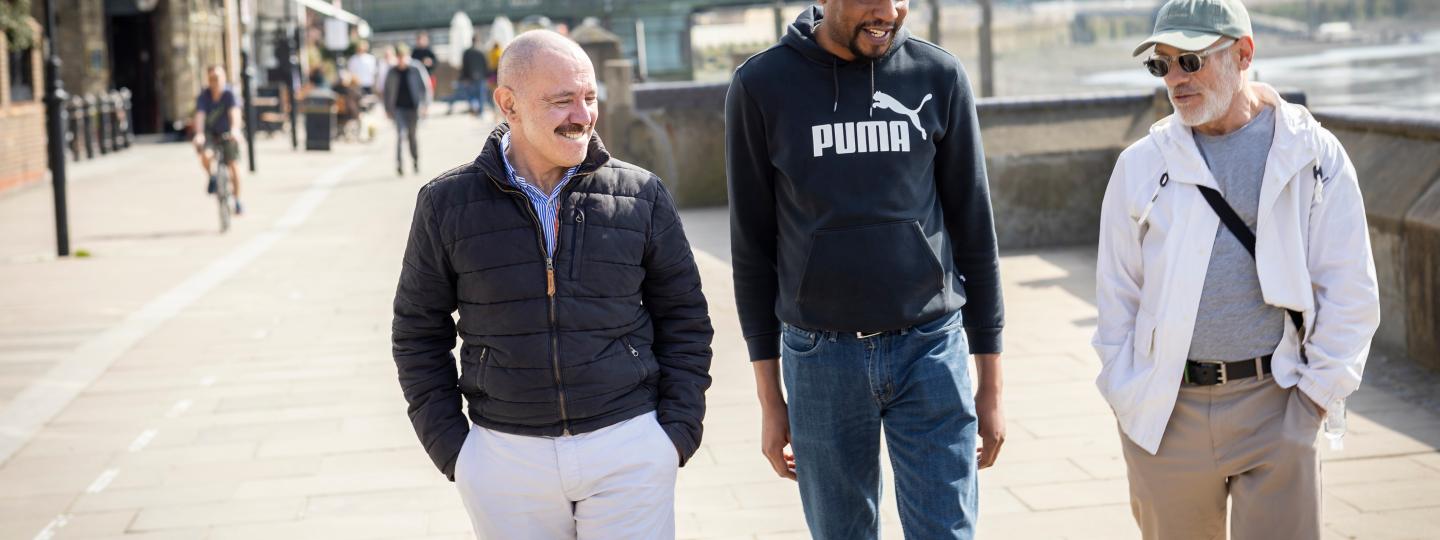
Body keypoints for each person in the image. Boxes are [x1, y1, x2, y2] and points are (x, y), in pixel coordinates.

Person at [391, 30, 713, 539]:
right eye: (562, 101)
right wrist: (456, 451)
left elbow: (686, 318)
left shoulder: (642, 195)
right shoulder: (445, 204)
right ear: (508, 104)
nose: (582, 115)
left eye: (589, 98)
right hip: (505, 460)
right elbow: (416, 332)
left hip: (629, 447)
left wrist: (674, 435)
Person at [1093, 1, 1381, 538]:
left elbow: (1350, 288)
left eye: (1191, 61)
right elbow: (1116, 294)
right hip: (1164, 416)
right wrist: (1126, 396)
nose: (1175, 79)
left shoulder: (1312, 152)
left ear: (1243, 53)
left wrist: (1312, 404)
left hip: (1278, 405)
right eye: (1163, 65)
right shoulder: (1139, 165)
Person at [725, 1, 1006, 538]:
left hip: (930, 349)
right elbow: (751, 250)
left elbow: (976, 232)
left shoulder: (937, 74)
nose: (889, 11)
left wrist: (990, 387)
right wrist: (769, 400)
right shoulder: (762, 84)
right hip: (819, 359)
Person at [192, 65, 244, 215]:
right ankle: (212, 177)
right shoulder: (204, 96)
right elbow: (200, 115)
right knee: (206, 155)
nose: (215, 82)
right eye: (212, 79)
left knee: (233, 166)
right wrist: (199, 133)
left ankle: (237, 200)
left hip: (228, 133)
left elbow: (235, 112)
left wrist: (235, 129)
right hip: (210, 134)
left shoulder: (229, 94)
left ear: (224, 78)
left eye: (218, 78)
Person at [382, 43, 432, 176]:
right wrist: (387, 109)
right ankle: (399, 165)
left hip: (413, 108)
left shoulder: (416, 68)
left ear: (407, 56)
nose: (401, 60)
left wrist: (425, 105)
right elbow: (386, 91)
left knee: (412, 136)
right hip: (398, 109)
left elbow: (426, 87)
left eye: (403, 57)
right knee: (400, 135)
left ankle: (415, 160)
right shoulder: (392, 71)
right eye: (398, 57)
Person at [459, 34, 490, 116]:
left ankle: (474, 106)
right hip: (481, 76)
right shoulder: (482, 51)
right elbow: (486, 65)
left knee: (470, 94)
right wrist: (487, 76)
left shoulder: (467, 52)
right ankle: (480, 112)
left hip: (470, 77)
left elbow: (464, 66)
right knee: (480, 95)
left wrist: (464, 77)